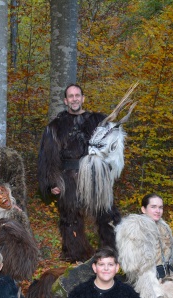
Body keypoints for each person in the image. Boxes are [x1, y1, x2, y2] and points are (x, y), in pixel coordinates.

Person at [37, 84, 119, 262]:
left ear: (83, 98)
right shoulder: (55, 127)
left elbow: (113, 147)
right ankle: (75, 256)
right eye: (70, 96)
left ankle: (112, 252)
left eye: (77, 95)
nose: (74, 99)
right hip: (69, 176)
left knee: (106, 214)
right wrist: (52, 182)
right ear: (65, 101)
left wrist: (108, 172)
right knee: (70, 217)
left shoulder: (98, 122)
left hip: (95, 175)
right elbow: (48, 158)